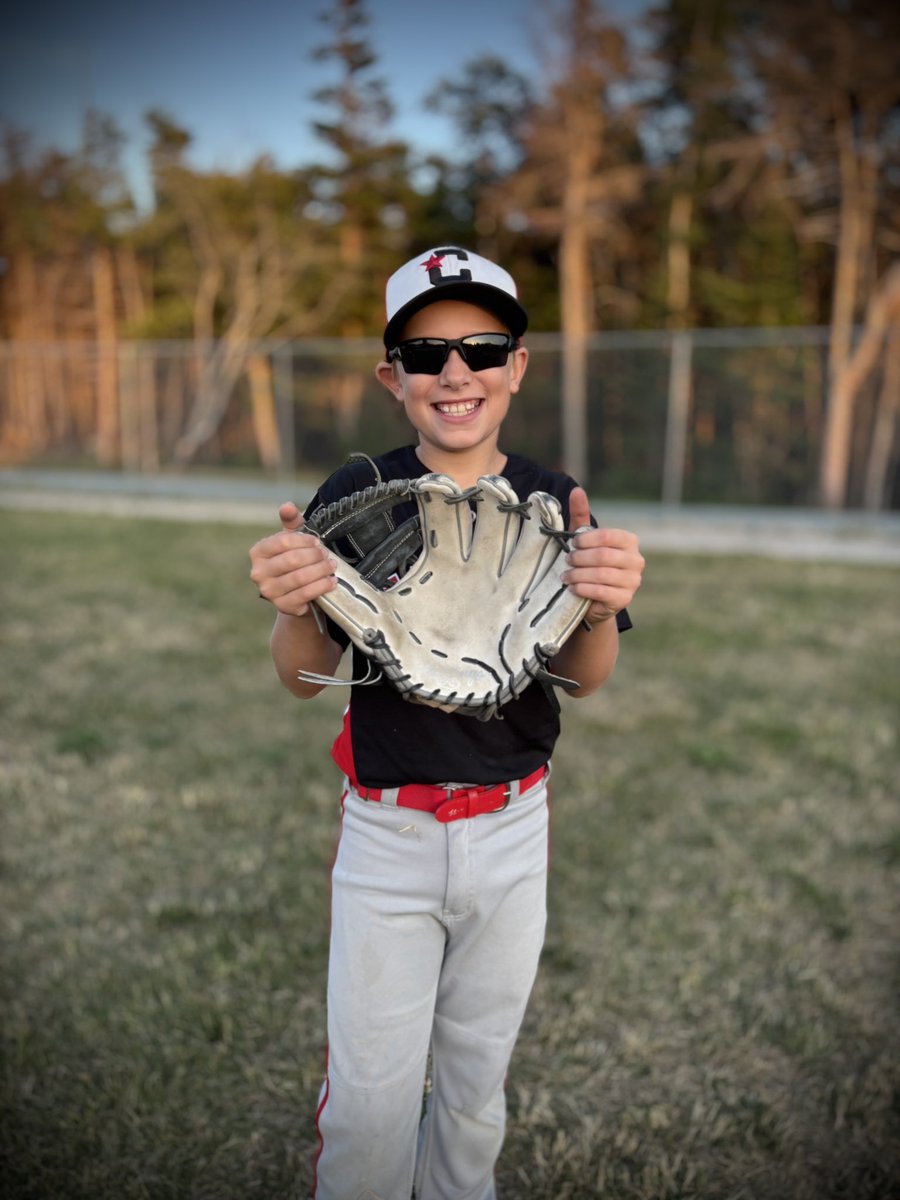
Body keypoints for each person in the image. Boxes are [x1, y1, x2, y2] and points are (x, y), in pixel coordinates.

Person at [248, 246, 645, 1200]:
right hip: (390, 834)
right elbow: (306, 680)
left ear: (517, 365)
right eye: (425, 355)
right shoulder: (355, 496)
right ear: (393, 377)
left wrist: (596, 607)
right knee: (372, 1103)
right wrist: (295, 602)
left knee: (475, 1086)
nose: (454, 372)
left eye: (481, 346)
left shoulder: (555, 500)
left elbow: (584, 682)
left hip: (514, 828)